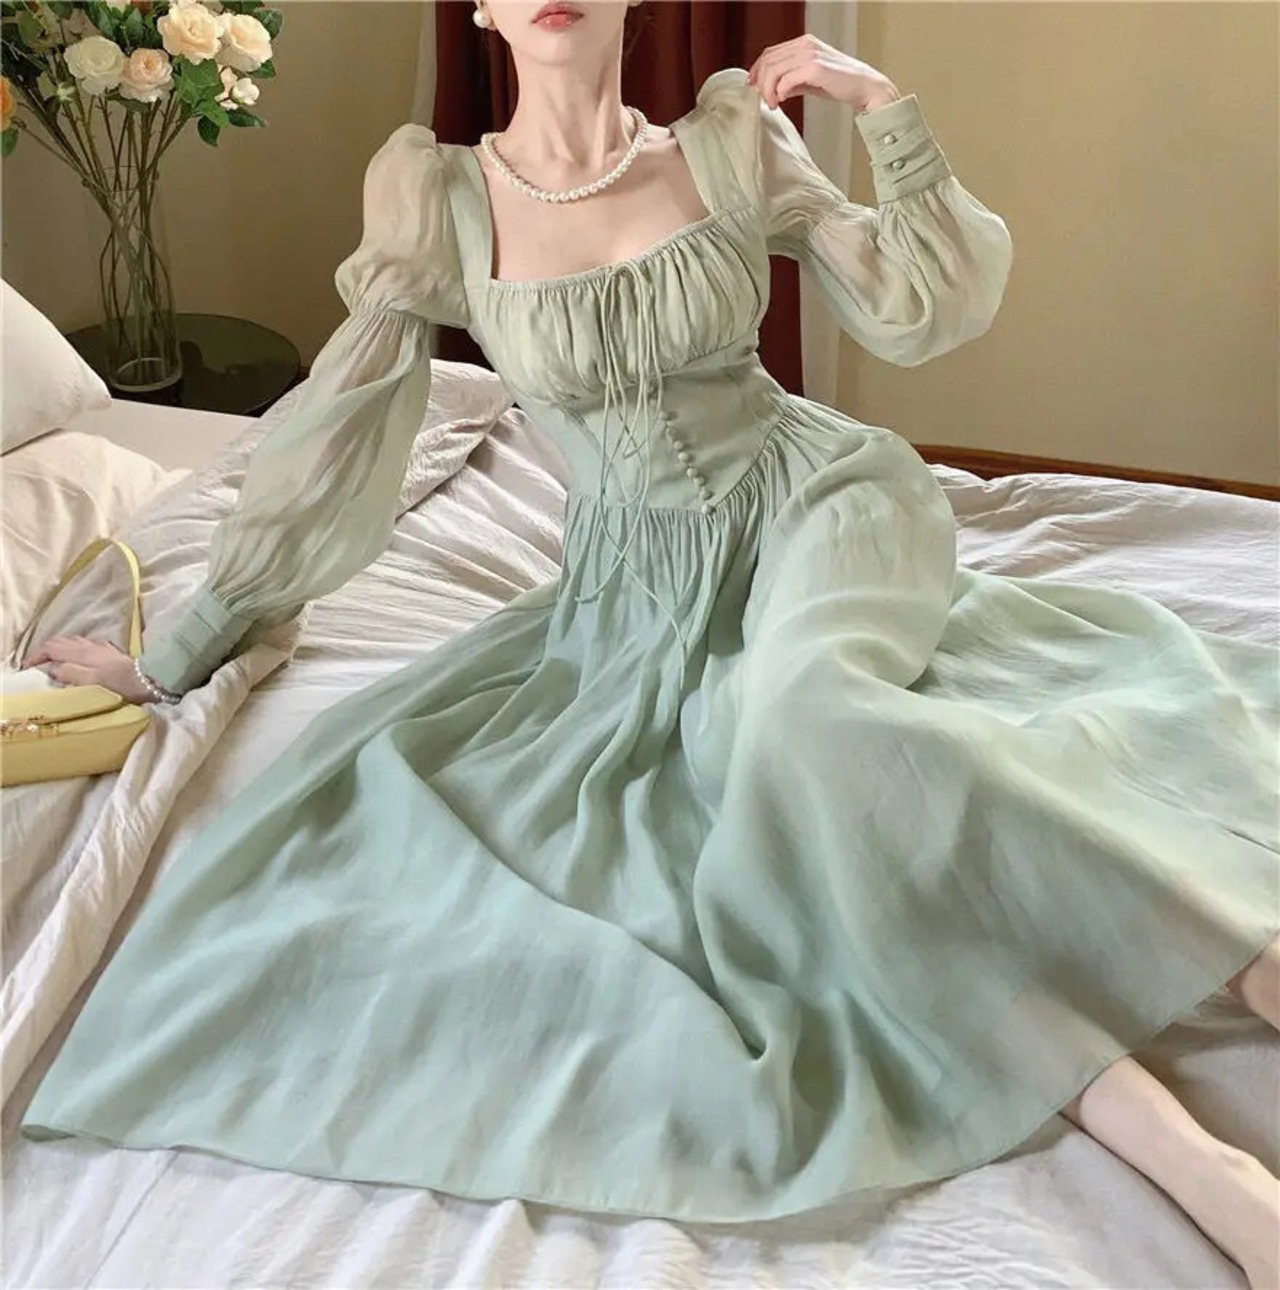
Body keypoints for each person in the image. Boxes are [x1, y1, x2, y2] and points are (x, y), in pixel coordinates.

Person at [21, 1, 1280, 1282]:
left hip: (818, 504)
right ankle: (1191, 1159)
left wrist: (882, 114)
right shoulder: (436, 198)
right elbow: (343, 429)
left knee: (812, 721)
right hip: (633, 598)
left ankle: (1255, 967)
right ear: (479, 8)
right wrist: (188, 643)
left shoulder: (726, 144)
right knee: (807, 798)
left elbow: (920, 305)